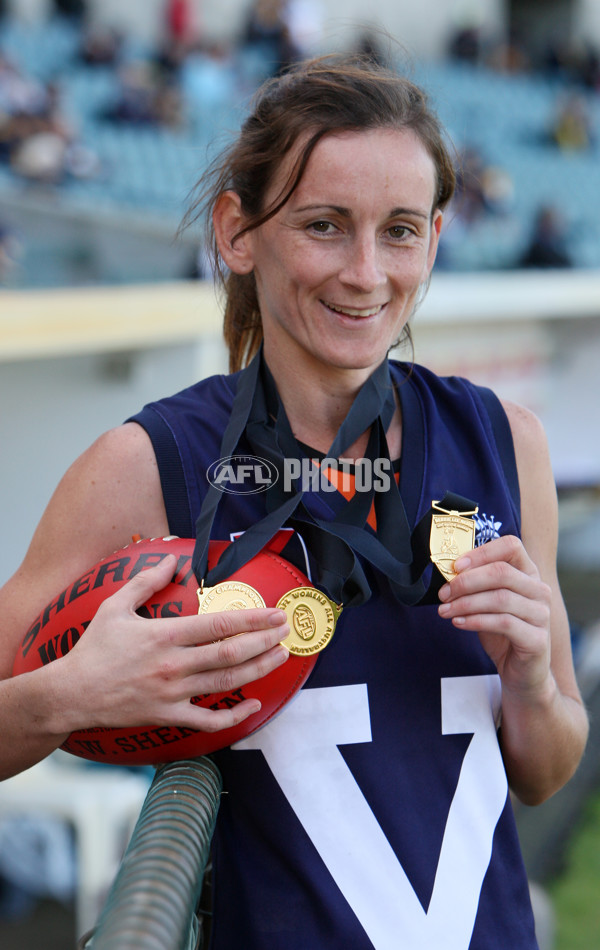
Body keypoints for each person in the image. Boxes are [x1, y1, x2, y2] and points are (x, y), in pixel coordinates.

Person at [0, 55, 589, 949]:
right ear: (239, 232)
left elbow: (546, 771)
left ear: (434, 238)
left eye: (398, 231)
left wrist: (532, 677)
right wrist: (69, 694)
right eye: (324, 226)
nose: (364, 272)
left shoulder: (506, 441)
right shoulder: (148, 464)